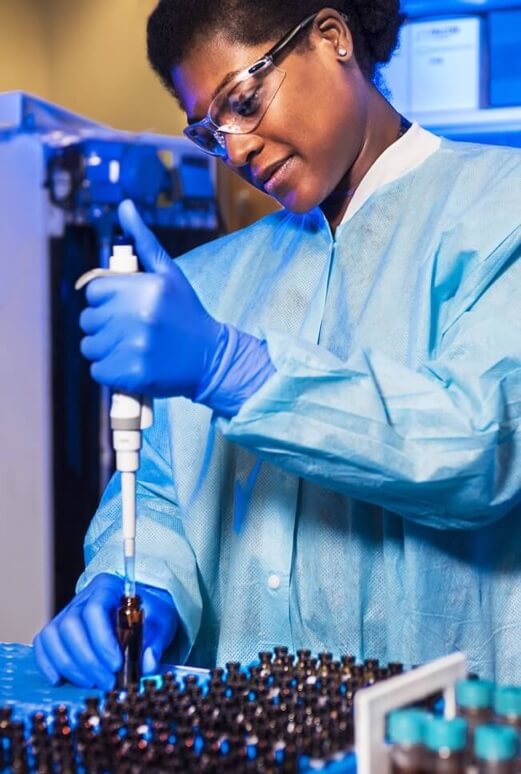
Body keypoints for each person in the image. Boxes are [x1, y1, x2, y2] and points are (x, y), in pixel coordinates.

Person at [34, 0, 521, 690]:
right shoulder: (209, 278)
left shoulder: (502, 212)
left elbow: (479, 447)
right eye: (208, 132)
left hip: (435, 734)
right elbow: (167, 490)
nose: (234, 150)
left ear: (331, 38)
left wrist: (232, 369)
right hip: (246, 732)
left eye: (243, 101)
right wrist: (133, 580)